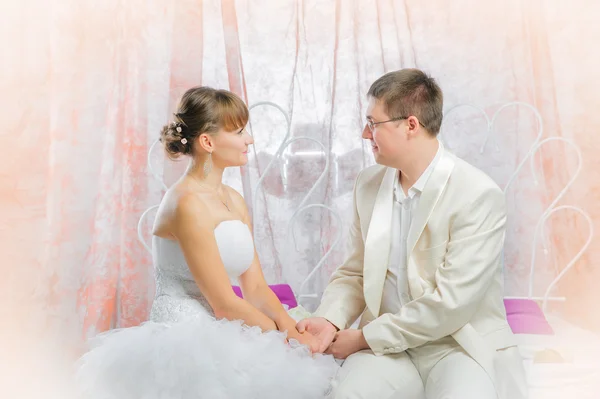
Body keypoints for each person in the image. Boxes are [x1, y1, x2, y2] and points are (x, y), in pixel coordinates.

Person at [75, 87, 339, 399]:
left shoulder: (234, 200)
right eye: (239, 131)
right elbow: (225, 303)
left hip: (222, 319)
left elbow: (254, 288)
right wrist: (287, 340)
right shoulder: (186, 203)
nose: (249, 140)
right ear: (208, 142)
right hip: (186, 329)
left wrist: (291, 329)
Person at [297, 68, 528, 399]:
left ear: (410, 125)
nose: (365, 134)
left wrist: (363, 338)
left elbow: (452, 304)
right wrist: (330, 320)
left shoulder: (477, 194)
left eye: (373, 123)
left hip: (456, 344)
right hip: (387, 351)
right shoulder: (368, 184)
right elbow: (355, 273)